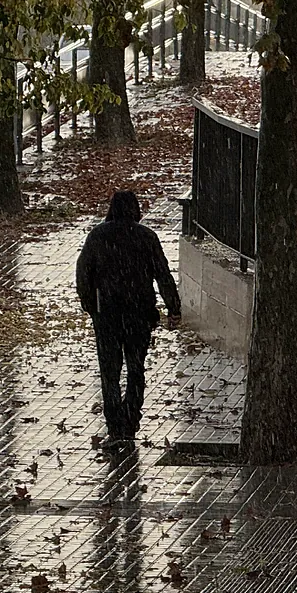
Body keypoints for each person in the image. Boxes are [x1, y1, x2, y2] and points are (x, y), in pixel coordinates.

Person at [76, 190, 181, 444]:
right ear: (136, 210)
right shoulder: (146, 237)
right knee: (136, 368)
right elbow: (162, 274)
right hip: (139, 313)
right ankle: (131, 419)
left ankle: (115, 428)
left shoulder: (98, 237)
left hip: (108, 315)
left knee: (110, 373)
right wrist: (173, 307)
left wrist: (91, 305)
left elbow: (83, 273)